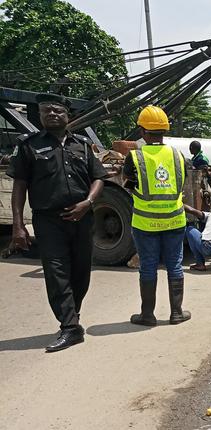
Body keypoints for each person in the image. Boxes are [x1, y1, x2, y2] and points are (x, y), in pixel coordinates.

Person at [7, 93, 107, 352]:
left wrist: (88, 202)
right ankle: (70, 327)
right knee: (56, 272)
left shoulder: (83, 145)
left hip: (82, 217)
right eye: (46, 111)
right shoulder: (28, 145)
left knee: (81, 271)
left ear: (67, 116)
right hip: (48, 220)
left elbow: (98, 177)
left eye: (57, 111)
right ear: (40, 116)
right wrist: (18, 225)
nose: (51, 114)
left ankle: (73, 316)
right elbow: (19, 185)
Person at [123, 105, 191, 326]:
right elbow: (182, 182)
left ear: (143, 131)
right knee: (175, 265)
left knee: (149, 266)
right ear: (164, 131)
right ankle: (177, 313)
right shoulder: (178, 155)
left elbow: (129, 185)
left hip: (145, 223)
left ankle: (147, 315)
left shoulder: (134, 157)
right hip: (174, 220)